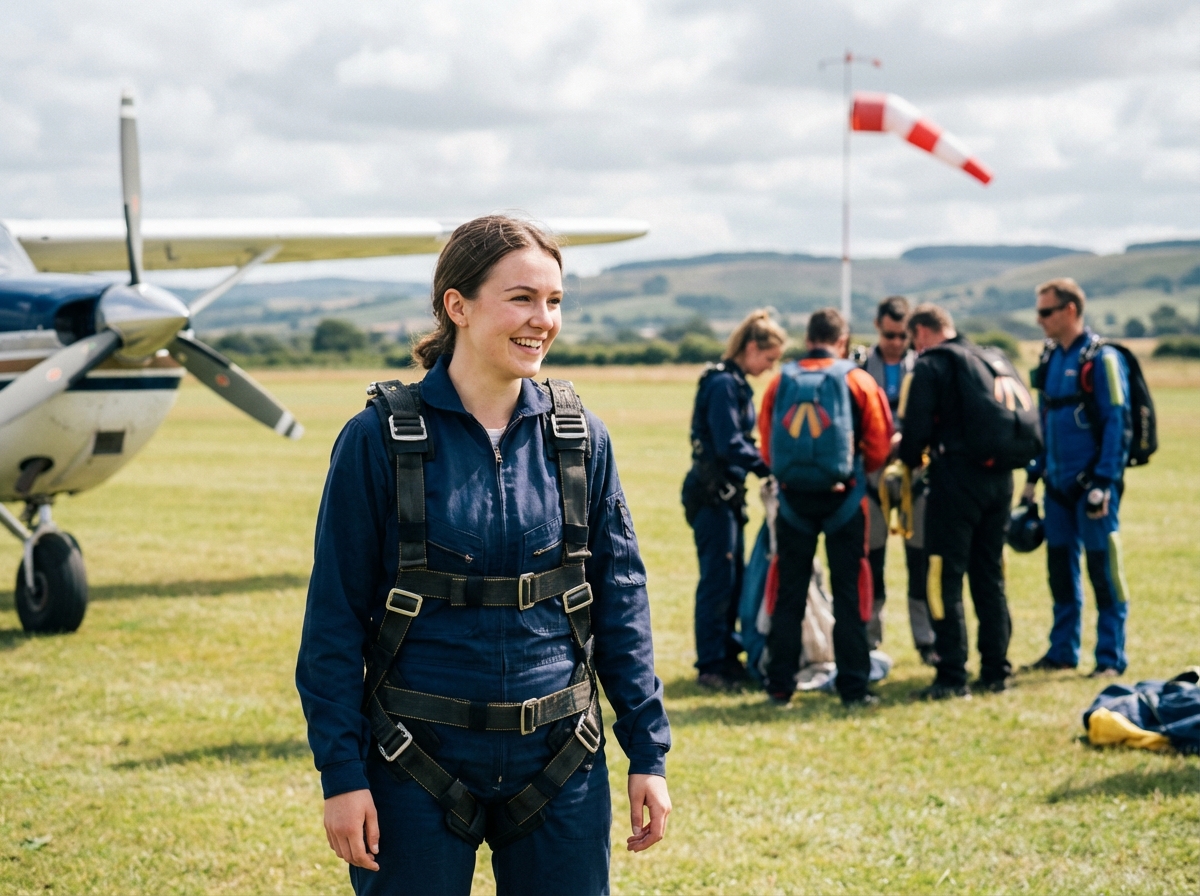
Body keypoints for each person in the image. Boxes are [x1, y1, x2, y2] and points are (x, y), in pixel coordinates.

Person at [296, 216, 672, 896]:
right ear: (457, 306)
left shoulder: (581, 440)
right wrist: (342, 776)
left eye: (555, 300)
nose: (543, 320)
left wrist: (648, 751)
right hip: (413, 762)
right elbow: (333, 623)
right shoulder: (376, 440)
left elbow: (621, 602)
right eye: (522, 298)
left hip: (561, 761)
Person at [758, 308, 893, 707]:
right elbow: (880, 443)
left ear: (807, 336)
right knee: (851, 592)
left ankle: (780, 685)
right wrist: (855, 471)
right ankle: (853, 686)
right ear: (842, 339)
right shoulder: (859, 380)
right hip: (846, 499)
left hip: (793, 500)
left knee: (789, 593)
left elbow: (768, 444)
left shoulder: (781, 380)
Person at [898, 304, 1014, 699]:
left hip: (956, 482)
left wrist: (909, 461)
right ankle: (996, 670)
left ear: (921, 333)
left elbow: (913, 433)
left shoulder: (933, 365)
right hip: (1001, 481)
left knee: (941, 577)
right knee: (990, 576)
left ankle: (951, 674)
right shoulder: (989, 357)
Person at [1022, 277, 1132, 677]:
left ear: (1070, 310)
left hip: (1093, 488)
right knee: (1059, 573)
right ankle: (1062, 651)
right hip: (1056, 487)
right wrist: (1034, 477)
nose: (1040, 320)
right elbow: (1043, 421)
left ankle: (1109, 658)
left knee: (1104, 572)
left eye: (1046, 312)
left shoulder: (1101, 359)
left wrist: (1104, 482)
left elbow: (1118, 422)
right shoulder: (1050, 358)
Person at [681, 310, 786, 690]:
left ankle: (728, 655)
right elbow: (729, 444)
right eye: (769, 359)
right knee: (718, 580)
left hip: (725, 497)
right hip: (713, 496)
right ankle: (711, 664)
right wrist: (768, 466)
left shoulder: (734, 383)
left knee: (733, 578)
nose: (770, 368)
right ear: (752, 348)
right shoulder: (724, 385)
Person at [861, 296, 937, 665]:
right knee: (872, 562)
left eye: (901, 335)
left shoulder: (922, 366)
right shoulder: (860, 366)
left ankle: (926, 640)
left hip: (915, 478)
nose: (895, 342)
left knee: (919, 562)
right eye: (889, 335)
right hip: (872, 479)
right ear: (878, 326)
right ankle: (871, 638)